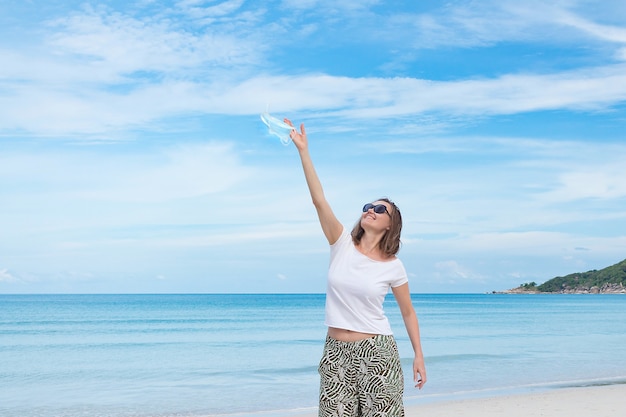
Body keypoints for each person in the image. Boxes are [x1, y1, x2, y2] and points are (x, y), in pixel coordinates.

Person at [285, 119, 427, 417]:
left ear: (391, 225)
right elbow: (318, 201)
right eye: (367, 207)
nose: (370, 211)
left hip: (377, 351)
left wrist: (418, 356)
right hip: (336, 352)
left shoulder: (394, 266)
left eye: (380, 210)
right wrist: (303, 151)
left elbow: (408, 312)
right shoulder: (341, 243)